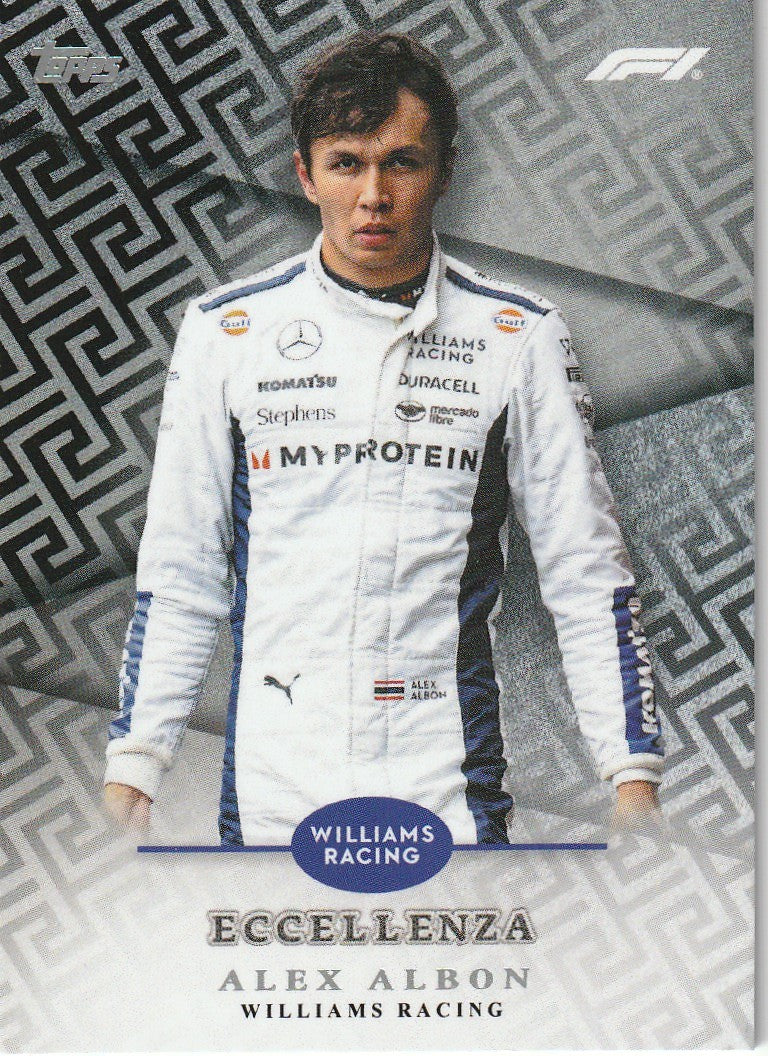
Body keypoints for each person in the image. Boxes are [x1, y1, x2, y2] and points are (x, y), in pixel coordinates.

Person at [104, 32, 663, 842]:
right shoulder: (228, 330)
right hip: (272, 792)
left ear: (444, 172)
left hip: (446, 791)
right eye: (346, 164)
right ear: (305, 174)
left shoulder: (517, 335)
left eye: (402, 163)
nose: (373, 195)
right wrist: (134, 769)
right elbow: (180, 571)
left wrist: (633, 777)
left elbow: (586, 572)